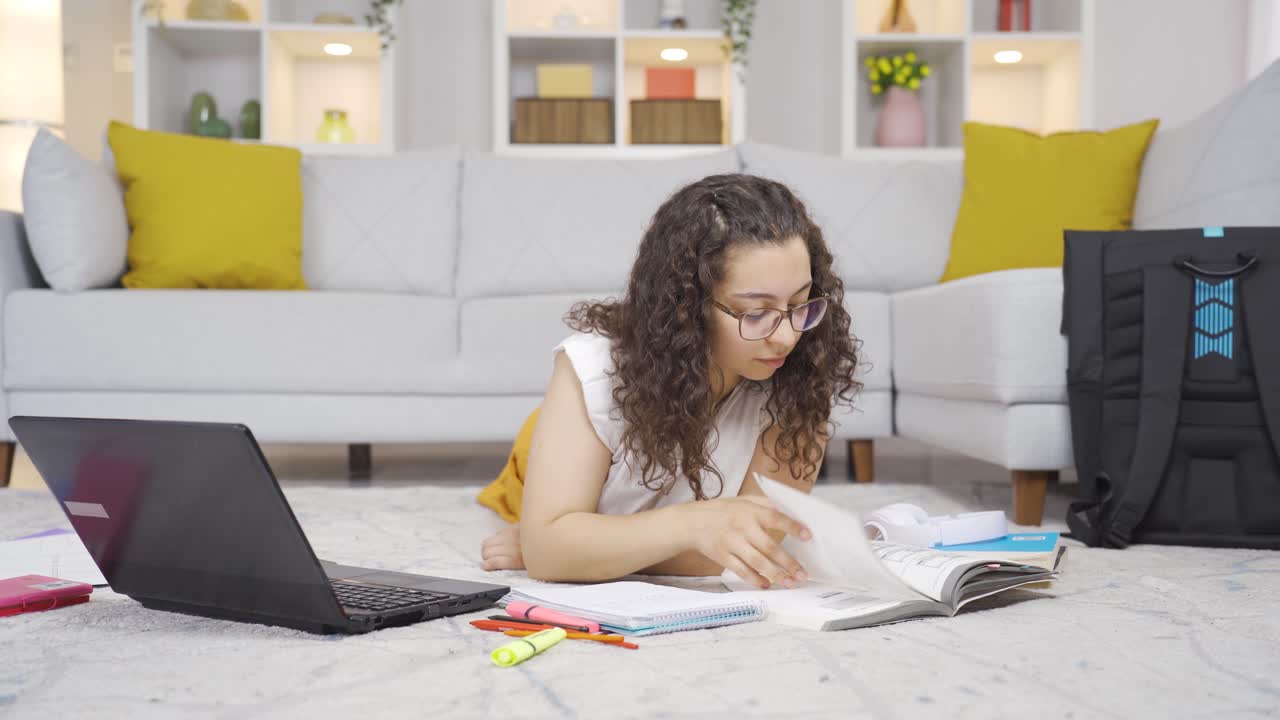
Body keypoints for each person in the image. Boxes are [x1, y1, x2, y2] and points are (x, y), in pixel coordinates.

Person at [475, 173, 861, 589]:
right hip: (546, 448)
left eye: (800, 303)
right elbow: (550, 552)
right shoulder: (591, 369)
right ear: (689, 307)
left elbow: (751, 550)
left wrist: (584, 548)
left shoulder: (801, 377)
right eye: (755, 313)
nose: (786, 336)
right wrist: (687, 525)